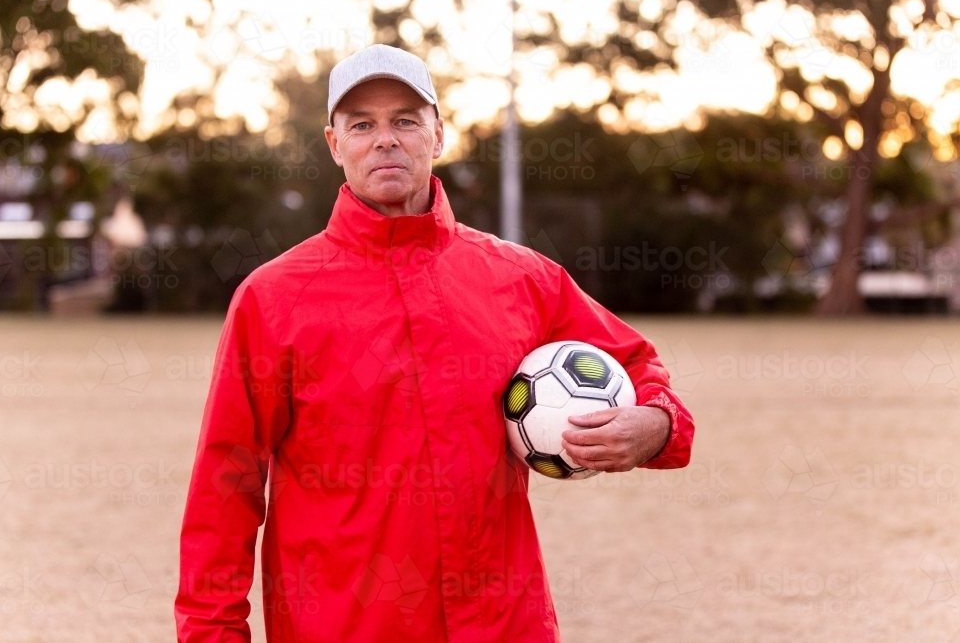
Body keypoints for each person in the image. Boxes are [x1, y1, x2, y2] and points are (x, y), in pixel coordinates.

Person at [175, 43, 695, 643]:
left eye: (405, 120)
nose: (385, 139)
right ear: (333, 143)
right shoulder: (273, 299)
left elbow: (636, 363)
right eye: (362, 124)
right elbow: (226, 482)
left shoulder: (521, 279)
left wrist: (655, 426)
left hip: (505, 626)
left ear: (438, 134)